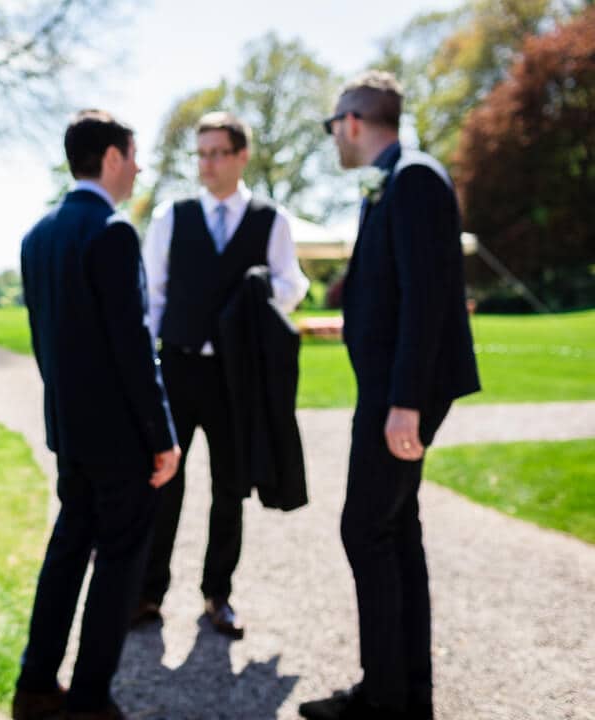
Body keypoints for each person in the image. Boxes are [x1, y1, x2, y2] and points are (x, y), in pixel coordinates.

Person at [299, 71, 480, 720]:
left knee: (365, 529)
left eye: (332, 128)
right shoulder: (394, 181)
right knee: (395, 531)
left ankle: (383, 701)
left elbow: (430, 300)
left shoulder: (415, 178)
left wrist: (405, 401)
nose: (333, 141)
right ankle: (405, 696)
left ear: (352, 121)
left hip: (402, 394)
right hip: (388, 388)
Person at [12, 110, 182, 720]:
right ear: (110, 156)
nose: (139, 168)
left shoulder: (38, 235)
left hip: (69, 433)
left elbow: (45, 345)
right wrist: (162, 438)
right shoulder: (112, 231)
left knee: (66, 554)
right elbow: (135, 348)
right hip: (119, 443)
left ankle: (34, 686)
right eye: (134, 155)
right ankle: (88, 700)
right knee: (118, 564)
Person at [135, 111, 309, 637]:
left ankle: (218, 594)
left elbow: (292, 285)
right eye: (201, 154)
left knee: (229, 489)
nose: (206, 164)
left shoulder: (270, 219)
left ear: (240, 156)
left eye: (216, 153)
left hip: (237, 377)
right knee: (165, 483)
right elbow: (153, 296)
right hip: (179, 368)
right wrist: (149, 368)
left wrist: (260, 291)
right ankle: (148, 594)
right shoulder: (172, 216)